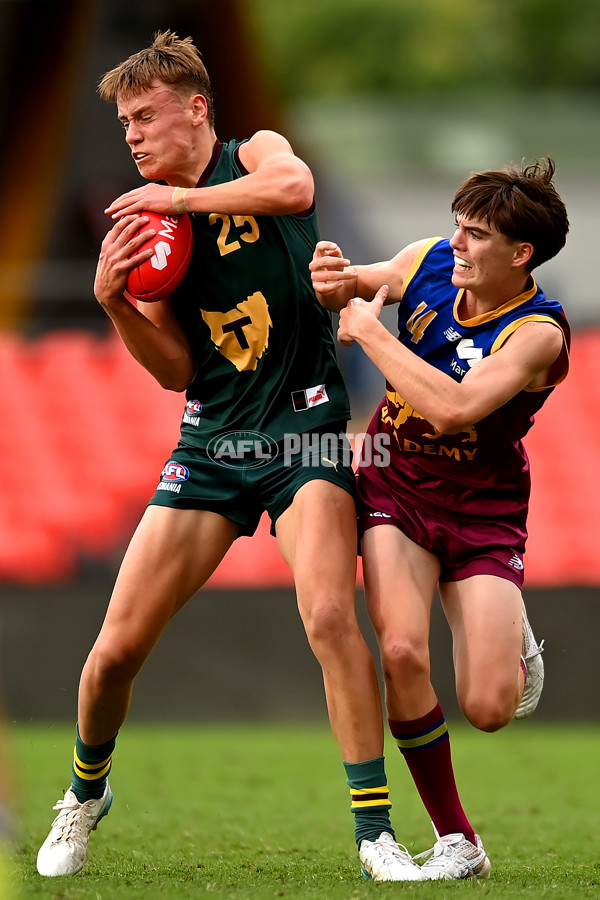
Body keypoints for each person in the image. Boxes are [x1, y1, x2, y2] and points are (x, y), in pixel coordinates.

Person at [36, 30, 425, 883]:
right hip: (214, 442)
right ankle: (84, 792)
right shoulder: (151, 229)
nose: (132, 137)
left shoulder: (257, 153)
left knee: (329, 616)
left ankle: (376, 835)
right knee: (113, 652)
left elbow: (294, 188)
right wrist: (115, 305)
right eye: (125, 123)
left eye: (145, 117)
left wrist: (175, 205)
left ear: (197, 109)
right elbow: (176, 368)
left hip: (305, 433)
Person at [310, 158, 570, 880]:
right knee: (401, 652)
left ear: (520, 255)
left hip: (484, 507)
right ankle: (459, 839)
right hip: (395, 483)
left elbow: (456, 406)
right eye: (457, 226)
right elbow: (361, 284)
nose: (455, 242)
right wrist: (336, 277)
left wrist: (369, 333)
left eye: (476, 234)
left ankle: (509, 630)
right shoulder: (427, 259)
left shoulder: (539, 334)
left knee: (488, 707)